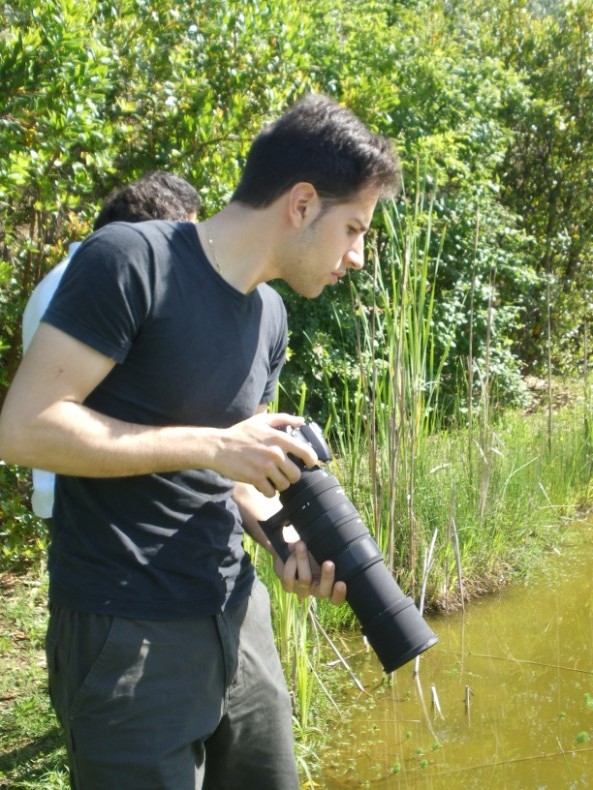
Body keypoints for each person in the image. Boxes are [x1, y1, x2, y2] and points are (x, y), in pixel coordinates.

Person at [0, 94, 401, 790]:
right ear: (302, 204)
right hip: (125, 627)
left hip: (236, 615)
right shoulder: (131, 259)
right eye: (354, 229)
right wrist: (212, 445)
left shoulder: (269, 313)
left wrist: (284, 543)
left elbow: (241, 470)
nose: (358, 256)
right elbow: (25, 428)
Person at [21, 171, 200, 519]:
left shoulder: (66, 278)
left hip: (84, 492)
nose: (192, 257)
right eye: (184, 239)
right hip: (89, 502)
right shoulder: (88, 287)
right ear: (150, 236)